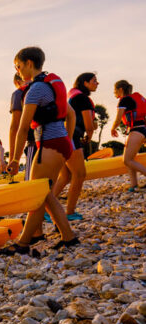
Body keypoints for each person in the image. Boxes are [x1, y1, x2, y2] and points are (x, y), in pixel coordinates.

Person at [0, 46, 78, 255]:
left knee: (36, 193)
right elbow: (70, 114)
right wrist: (67, 141)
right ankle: (68, 237)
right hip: (58, 142)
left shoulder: (36, 90)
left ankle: (23, 243)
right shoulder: (51, 84)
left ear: (28, 64)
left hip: (50, 144)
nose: (17, 71)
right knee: (46, 195)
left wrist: (14, 159)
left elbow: (23, 127)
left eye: (18, 66)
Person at [51, 73, 99, 220]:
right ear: (85, 83)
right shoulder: (82, 99)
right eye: (94, 81)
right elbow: (89, 125)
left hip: (59, 136)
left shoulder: (73, 97)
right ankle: (70, 212)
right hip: (71, 137)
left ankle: (44, 210)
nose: (97, 83)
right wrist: (89, 137)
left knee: (65, 176)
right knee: (79, 174)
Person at [110, 80, 146, 191]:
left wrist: (113, 128)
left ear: (120, 90)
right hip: (142, 129)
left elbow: (118, 117)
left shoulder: (124, 100)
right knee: (129, 158)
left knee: (127, 160)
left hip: (136, 130)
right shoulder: (136, 98)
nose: (114, 93)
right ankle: (133, 185)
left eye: (114, 90)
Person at [9, 73, 37, 181]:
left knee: (30, 180)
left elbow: (14, 127)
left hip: (34, 143)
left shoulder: (19, 93)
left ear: (17, 82)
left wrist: (14, 159)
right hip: (54, 141)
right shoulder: (45, 87)